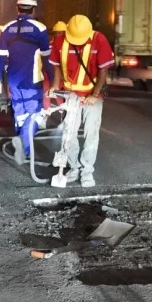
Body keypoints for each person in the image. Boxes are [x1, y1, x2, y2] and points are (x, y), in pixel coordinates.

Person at [47, 14, 114, 188]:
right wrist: (55, 85)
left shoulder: (99, 40)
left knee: (91, 134)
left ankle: (87, 171)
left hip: (92, 95)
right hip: (71, 94)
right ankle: (73, 168)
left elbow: (103, 71)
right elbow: (56, 65)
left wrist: (95, 94)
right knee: (69, 133)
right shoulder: (60, 41)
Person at [0, 0, 51, 164]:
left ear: (18, 9)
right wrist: (53, 82)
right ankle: (23, 144)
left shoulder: (7, 28)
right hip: (31, 81)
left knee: (19, 114)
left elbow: (0, 56)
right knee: (35, 114)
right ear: (33, 9)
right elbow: (47, 59)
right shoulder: (40, 29)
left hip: (13, 81)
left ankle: (22, 147)